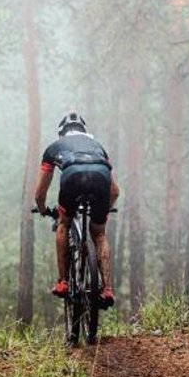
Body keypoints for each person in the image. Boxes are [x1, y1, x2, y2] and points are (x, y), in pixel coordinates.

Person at [34, 111, 120, 306]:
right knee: (99, 234)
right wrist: (105, 210)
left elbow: (40, 193)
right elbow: (115, 191)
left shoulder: (54, 148)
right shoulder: (98, 147)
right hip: (101, 177)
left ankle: (63, 282)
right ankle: (107, 289)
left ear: (62, 133)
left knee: (64, 223)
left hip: (72, 177)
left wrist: (43, 210)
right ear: (84, 131)